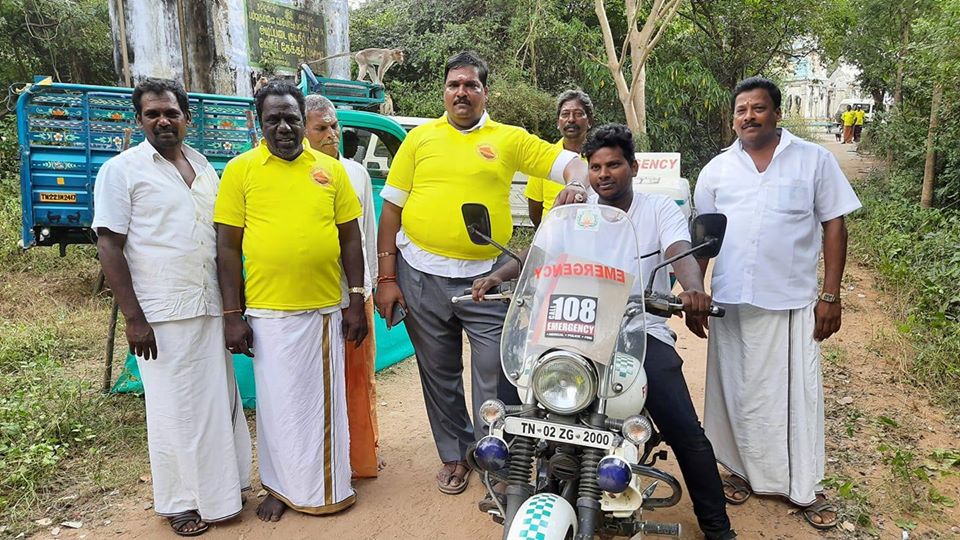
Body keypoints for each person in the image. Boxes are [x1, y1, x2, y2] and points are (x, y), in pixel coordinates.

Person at [472, 124, 737, 540]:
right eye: (595, 167)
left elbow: (678, 251)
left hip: (637, 328)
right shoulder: (577, 210)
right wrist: (498, 276)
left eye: (613, 165)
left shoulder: (658, 209)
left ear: (633, 167)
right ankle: (512, 475)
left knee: (684, 427)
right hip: (572, 325)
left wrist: (693, 289)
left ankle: (717, 527)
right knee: (515, 385)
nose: (603, 174)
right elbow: (539, 251)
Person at [374, 51, 590, 495]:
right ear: (444, 92)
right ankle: (456, 455)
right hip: (420, 273)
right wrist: (387, 279)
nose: (462, 92)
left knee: (496, 368)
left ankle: (494, 454)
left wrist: (575, 183)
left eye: (471, 85)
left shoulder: (509, 138)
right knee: (438, 372)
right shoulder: (419, 140)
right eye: (454, 85)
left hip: (488, 280)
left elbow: (572, 163)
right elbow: (391, 210)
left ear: (485, 92)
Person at [694, 76, 861, 531]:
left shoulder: (814, 160)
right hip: (732, 301)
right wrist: (696, 292)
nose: (748, 117)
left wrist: (830, 294)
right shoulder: (716, 170)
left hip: (791, 301)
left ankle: (803, 485)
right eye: (741, 110)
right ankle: (739, 470)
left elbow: (834, 225)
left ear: (777, 113)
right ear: (733, 118)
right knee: (736, 391)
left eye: (758, 108)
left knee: (795, 396)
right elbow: (705, 238)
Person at [92, 77, 251, 536]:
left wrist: (233, 308)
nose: (163, 121)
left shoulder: (203, 166)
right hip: (160, 314)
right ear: (139, 120)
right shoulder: (122, 170)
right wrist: (134, 318)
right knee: (173, 410)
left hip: (209, 304)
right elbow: (109, 245)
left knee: (217, 403)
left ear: (186, 118)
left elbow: (221, 242)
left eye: (171, 113)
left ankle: (225, 491)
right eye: (153, 114)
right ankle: (180, 502)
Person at [214, 80, 367, 521]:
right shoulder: (240, 170)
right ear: (258, 123)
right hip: (268, 312)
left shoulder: (330, 170)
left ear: (303, 121)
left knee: (323, 406)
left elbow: (350, 238)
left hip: (324, 310)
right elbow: (227, 246)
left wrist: (356, 299)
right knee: (278, 407)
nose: (283, 127)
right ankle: (280, 488)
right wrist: (232, 314)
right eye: (273, 119)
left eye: (291, 118)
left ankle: (328, 485)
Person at [304, 94, 383, 479]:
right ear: (304, 132)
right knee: (315, 384)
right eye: (320, 128)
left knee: (359, 379)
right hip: (312, 298)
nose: (331, 134)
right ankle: (320, 463)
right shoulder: (295, 173)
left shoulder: (356, 174)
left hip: (354, 295)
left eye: (334, 126)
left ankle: (362, 458)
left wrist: (368, 288)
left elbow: (365, 235)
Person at [525, 90, 593, 228]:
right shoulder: (544, 158)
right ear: (558, 122)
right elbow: (535, 212)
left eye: (578, 114)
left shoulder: (600, 159)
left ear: (589, 121)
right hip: (553, 237)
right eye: (565, 114)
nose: (571, 119)